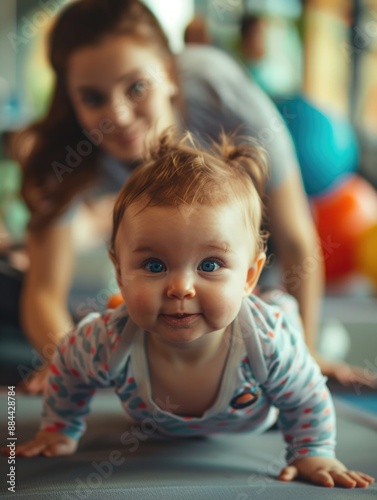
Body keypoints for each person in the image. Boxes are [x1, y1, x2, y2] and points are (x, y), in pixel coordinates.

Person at [10, 0, 370, 393]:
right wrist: (71, 364)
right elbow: (44, 291)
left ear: (168, 73)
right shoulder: (65, 156)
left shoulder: (218, 90)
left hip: (253, 248)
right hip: (167, 264)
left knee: (261, 330)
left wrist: (308, 351)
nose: (120, 116)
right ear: (72, 98)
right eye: (93, 99)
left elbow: (297, 238)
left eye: (136, 87)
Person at [4, 133, 374, 490]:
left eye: (210, 265)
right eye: (153, 266)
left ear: (248, 276)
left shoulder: (266, 340)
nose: (180, 288)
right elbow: (69, 369)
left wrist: (312, 452)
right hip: (157, 426)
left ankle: (279, 303)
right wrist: (60, 429)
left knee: (281, 322)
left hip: (257, 417)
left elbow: (305, 395)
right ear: (119, 273)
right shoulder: (106, 338)